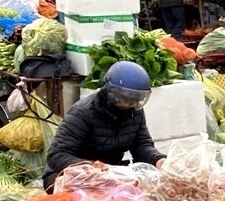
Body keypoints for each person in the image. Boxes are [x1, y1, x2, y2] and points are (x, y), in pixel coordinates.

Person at [43, 61, 165, 189]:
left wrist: (158, 160)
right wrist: (93, 167)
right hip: (70, 173)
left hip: (109, 174)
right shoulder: (83, 112)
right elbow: (57, 155)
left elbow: (142, 145)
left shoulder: (134, 112)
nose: (129, 103)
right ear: (109, 91)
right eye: (125, 97)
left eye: (135, 99)